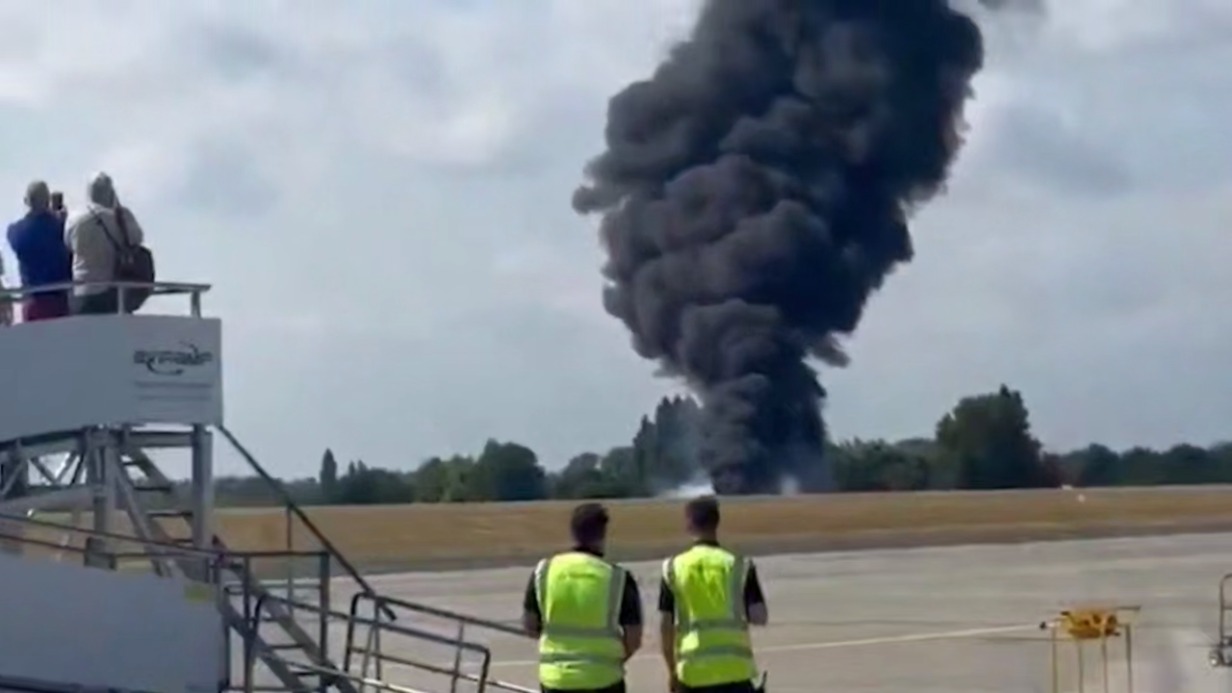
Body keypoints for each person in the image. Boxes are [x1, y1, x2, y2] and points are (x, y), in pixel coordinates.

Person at [522, 502, 642, 693]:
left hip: (556, 679)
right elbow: (634, 638)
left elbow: (530, 626)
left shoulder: (544, 571)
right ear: (603, 533)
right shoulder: (617, 577)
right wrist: (610, 661)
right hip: (603, 679)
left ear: (573, 532)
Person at [659, 496, 768, 693]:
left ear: (689, 524)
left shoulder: (673, 568)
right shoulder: (739, 566)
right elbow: (760, 616)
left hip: (693, 674)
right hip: (736, 672)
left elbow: (666, 627)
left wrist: (672, 671)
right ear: (716, 523)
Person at [64, 172, 146, 315]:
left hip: (80, 293)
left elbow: (68, 244)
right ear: (111, 193)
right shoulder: (119, 218)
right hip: (110, 293)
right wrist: (119, 208)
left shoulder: (73, 219)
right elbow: (137, 239)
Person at [6, 180, 71, 322]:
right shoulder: (59, 225)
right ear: (48, 201)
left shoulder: (15, 231)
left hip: (32, 302)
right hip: (60, 300)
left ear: (26, 201)